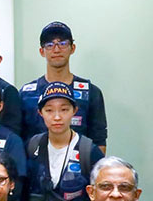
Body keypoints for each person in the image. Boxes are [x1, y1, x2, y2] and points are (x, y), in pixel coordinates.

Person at [19, 21, 108, 152]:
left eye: (63, 43)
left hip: (78, 169)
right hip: (36, 169)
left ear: (72, 48)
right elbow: (18, 139)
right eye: (49, 45)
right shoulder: (26, 94)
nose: (56, 49)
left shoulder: (91, 92)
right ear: (41, 51)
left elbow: (99, 141)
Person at [27, 82, 104, 201]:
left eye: (64, 110)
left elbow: (101, 196)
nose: (57, 117)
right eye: (49, 110)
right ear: (40, 113)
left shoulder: (88, 151)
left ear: (74, 111)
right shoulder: (33, 146)